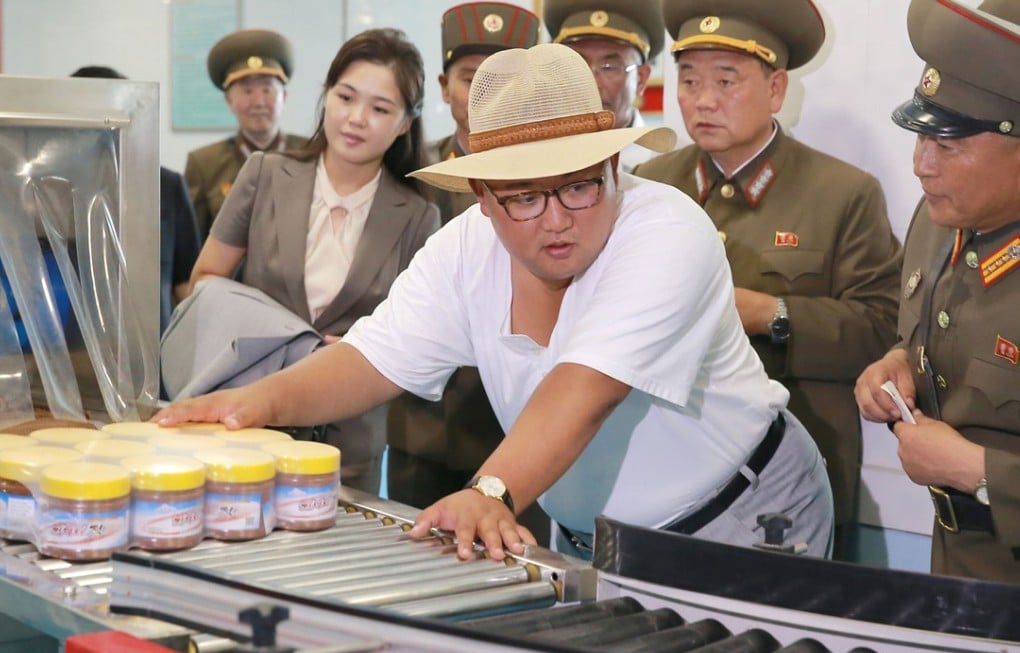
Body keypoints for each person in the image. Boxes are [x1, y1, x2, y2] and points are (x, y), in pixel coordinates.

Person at [154, 42, 834, 562]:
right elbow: (370, 358)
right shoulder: (464, 250)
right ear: (482, 197)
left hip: (741, 517)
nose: (558, 219)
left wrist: (489, 492)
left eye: (579, 186)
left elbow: (587, 387)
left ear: (612, 168)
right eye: (526, 197)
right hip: (591, 535)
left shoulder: (664, 231)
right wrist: (253, 405)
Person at [632, 0, 903, 560]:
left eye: (726, 80)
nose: (703, 100)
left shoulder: (842, 192)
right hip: (666, 463)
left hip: (794, 470)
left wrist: (770, 313)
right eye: (688, 80)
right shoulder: (649, 184)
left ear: (776, 90)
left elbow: (882, 330)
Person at [183, 28, 439, 493]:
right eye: (346, 97)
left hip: (348, 440)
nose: (356, 119)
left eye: (380, 109)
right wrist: (280, 340)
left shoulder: (418, 215)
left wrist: (359, 349)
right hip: (246, 421)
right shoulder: (265, 174)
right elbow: (207, 279)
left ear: (404, 123)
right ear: (326, 96)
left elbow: (420, 335)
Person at [855, 0, 1020, 585]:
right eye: (922, 137)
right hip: (957, 563)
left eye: (948, 146)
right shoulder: (937, 220)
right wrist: (898, 364)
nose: (922, 166)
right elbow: (927, 337)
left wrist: (974, 470)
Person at [385, 2, 551, 545]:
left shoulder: (556, 175)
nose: (484, 95)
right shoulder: (404, 176)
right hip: (426, 427)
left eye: (500, 80)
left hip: (525, 432)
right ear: (443, 85)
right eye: (470, 78)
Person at [69, 65, 202, 335]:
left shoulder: (166, 185)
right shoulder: (48, 188)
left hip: (152, 358)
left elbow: (185, 285)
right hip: (67, 354)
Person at [184, 29, 307, 241]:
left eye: (268, 90)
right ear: (229, 101)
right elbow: (193, 243)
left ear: (284, 97)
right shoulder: (204, 164)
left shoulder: (310, 153)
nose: (258, 102)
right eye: (247, 91)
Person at [543, 0, 664, 171]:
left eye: (609, 68)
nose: (592, 83)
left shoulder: (666, 169)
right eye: (578, 64)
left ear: (641, 79)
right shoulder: (538, 160)